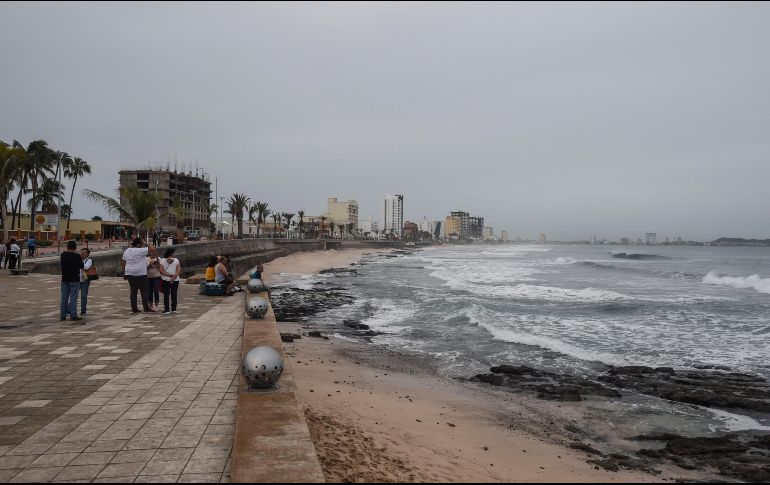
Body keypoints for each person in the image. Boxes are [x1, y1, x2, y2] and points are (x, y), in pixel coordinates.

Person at [121, 237, 155, 314]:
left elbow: (123, 262)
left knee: (133, 291)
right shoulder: (140, 250)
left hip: (129, 273)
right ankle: (146, 308)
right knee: (144, 291)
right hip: (140, 273)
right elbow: (153, 249)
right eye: (142, 244)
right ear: (139, 244)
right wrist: (146, 243)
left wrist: (124, 273)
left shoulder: (127, 251)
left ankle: (134, 308)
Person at [60, 240, 83, 321]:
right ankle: (73, 315)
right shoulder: (77, 256)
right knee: (73, 298)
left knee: (64, 298)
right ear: (75, 247)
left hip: (65, 279)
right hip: (74, 279)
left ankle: (63, 315)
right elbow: (82, 266)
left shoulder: (63, 255)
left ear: (67, 247)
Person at [159, 247, 182, 314]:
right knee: (174, 294)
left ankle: (167, 310)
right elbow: (179, 270)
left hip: (166, 280)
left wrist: (169, 275)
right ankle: (174, 309)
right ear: (172, 253)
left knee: (166, 294)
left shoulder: (162, 260)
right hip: (175, 280)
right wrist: (173, 277)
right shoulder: (176, 260)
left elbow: (161, 270)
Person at [146, 246, 162, 312]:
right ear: (149, 252)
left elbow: (161, 269)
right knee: (149, 291)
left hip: (157, 276)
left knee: (156, 290)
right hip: (149, 277)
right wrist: (150, 265)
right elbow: (145, 268)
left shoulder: (159, 259)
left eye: (154, 252)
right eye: (152, 252)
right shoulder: (146, 259)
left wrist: (158, 265)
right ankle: (150, 305)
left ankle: (156, 305)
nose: (153, 253)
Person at [79, 248, 94, 316]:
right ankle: (70, 310)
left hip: (85, 281)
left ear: (87, 254)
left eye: (84, 252)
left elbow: (86, 267)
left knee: (83, 296)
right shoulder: (77, 259)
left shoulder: (89, 260)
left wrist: (78, 261)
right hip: (76, 280)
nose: (82, 253)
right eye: (81, 252)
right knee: (73, 296)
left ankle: (83, 310)